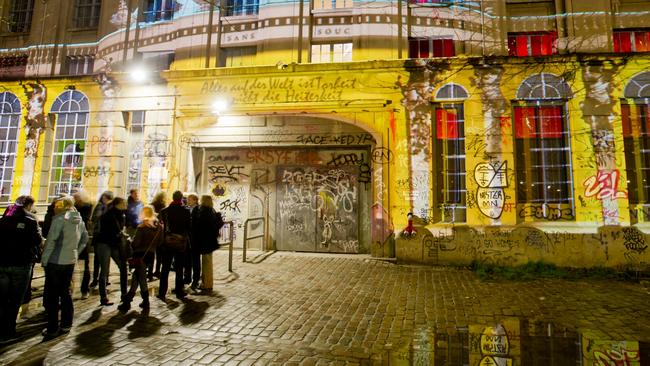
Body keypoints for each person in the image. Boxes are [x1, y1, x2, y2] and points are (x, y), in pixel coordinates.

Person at [41, 196, 88, 339]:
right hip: (70, 261)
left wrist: (44, 260)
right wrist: (75, 252)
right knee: (66, 292)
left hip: (55, 261)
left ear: (62, 206)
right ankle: (66, 323)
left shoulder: (59, 220)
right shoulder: (78, 220)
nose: (54, 207)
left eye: (57, 205)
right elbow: (84, 239)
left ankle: (52, 327)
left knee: (53, 295)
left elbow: (50, 242)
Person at [0, 196, 43, 344]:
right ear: (28, 206)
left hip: (3, 263)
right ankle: (8, 331)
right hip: (21, 263)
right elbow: (37, 241)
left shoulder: (3, 220)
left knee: (2, 298)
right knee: (15, 299)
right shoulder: (30, 221)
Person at [118, 206, 163, 312]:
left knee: (141, 278)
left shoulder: (142, 226)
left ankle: (145, 301)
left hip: (140, 255)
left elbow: (136, 243)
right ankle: (128, 300)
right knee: (136, 277)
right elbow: (160, 241)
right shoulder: (159, 227)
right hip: (151, 254)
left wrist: (130, 241)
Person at [95, 197, 128, 306]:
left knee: (123, 267)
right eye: (124, 202)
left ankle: (124, 294)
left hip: (114, 243)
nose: (126, 204)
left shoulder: (121, 214)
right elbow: (112, 230)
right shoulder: (109, 215)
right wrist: (120, 234)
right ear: (118, 204)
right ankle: (104, 297)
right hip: (105, 243)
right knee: (104, 270)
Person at [158, 191, 191, 301]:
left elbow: (161, 225)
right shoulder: (186, 211)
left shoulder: (164, 211)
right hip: (180, 242)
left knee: (165, 268)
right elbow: (188, 226)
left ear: (172, 198)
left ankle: (162, 292)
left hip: (167, 241)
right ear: (181, 198)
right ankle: (179, 290)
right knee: (179, 267)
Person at [191, 195, 223, 292]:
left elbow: (198, 226)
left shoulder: (203, 212)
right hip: (210, 241)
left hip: (204, 241)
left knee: (206, 263)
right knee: (207, 262)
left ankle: (207, 284)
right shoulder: (211, 210)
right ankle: (207, 282)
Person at [89, 191, 114, 289]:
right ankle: (97, 279)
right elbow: (96, 219)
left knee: (104, 259)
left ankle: (103, 279)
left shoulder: (107, 207)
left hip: (104, 236)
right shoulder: (100, 207)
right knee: (98, 259)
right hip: (100, 236)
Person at [73, 191, 93, 299]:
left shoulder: (86, 207)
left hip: (82, 238)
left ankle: (85, 289)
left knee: (85, 266)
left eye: (76, 197)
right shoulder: (74, 207)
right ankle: (76, 289)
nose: (75, 199)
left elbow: (84, 221)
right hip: (75, 238)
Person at [149, 191, 167, 280]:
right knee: (159, 254)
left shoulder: (152, 205)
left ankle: (149, 272)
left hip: (152, 231)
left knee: (152, 253)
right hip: (160, 232)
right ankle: (157, 271)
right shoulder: (164, 207)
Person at [184, 193, 199, 285]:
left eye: (190, 199)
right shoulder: (186, 209)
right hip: (187, 238)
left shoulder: (198, 210)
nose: (188, 201)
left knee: (195, 260)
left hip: (195, 238)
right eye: (187, 199)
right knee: (187, 259)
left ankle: (196, 279)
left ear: (195, 200)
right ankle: (187, 277)